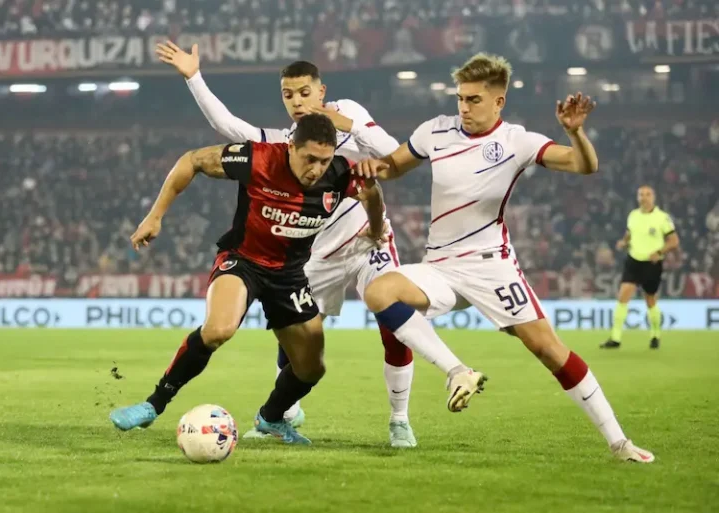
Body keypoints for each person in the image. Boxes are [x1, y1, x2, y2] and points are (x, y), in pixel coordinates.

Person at [354, 53, 654, 463]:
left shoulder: (516, 141)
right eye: (460, 98)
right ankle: (457, 371)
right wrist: (374, 166)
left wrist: (575, 133)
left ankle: (620, 443)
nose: (463, 107)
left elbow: (585, 165)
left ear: (499, 101)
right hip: (439, 265)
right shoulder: (435, 131)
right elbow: (393, 167)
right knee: (379, 291)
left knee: (548, 349)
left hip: (490, 266)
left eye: (474, 99)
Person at [155, 41, 418, 447]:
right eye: (288, 95)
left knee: (393, 318)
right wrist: (194, 77)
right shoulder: (282, 144)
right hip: (311, 251)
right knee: (298, 338)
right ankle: (282, 412)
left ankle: (399, 419)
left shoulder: (350, 114)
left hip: (366, 240)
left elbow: (394, 155)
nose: (297, 101)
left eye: (304, 92)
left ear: (322, 91)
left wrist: (348, 126)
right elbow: (228, 127)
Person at [109, 114, 387, 445]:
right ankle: (153, 405)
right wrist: (155, 216)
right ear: (290, 147)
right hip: (243, 261)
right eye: (310, 158)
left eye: (324, 161)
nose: (317, 168)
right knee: (218, 330)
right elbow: (192, 160)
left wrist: (373, 228)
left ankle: (271, 419)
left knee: (312, 368)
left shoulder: (340, 174)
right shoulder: (258, 159)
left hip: (290, 276)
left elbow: (372, 193)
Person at [601, 186, 679, 350]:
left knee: (650, 300)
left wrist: (659, 251)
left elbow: (673, 241)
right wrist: (624, 242)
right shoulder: (633, 215)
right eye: (641, 194)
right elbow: (629, 234)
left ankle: (655, 335)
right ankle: (615, 338)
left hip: (652, 264)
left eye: (647, 194)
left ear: (654, 197)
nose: (644, 197)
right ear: (637, 197)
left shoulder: (662, 218)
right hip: (633, 261)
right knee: (623, 296)